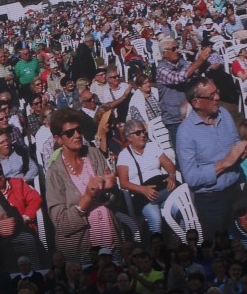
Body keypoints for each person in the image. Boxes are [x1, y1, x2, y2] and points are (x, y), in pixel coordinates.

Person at [176, 77, 247, 240]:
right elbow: (192, 178)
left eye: (217, 92)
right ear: (196, 102)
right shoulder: (185, 133)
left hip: (236, 191)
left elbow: (235, 143)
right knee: (222, 247)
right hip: (213, 202)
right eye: (211, 96)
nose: (217, 97)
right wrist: (226, 163)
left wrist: (242, 152)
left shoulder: (224, 114)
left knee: (246, 240)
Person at [46, 107, 121, 264]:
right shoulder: (54, 173)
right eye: (70, 133)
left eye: (79, 130)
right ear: (58, 139)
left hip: (110, 242)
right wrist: (87, 197)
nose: (77, 135)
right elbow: (62, 225)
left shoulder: (93, 154)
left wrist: (111, 189)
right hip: (81, 251)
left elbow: (114, 201)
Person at [116, 119, 179, 238]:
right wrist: (143, 189)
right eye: (138, 133)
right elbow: (123, 183)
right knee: (155, 218)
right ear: (129, 137)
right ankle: (157, 246)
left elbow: (169, 165)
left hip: (162, 189)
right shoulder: (124, 155)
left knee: (179, 210)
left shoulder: (152, 147)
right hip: (142, 196)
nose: (142, 135)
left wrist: (171, 176)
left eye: (143, 131)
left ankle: (188, 242)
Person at [155, 36, 214, 146]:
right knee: (183, 151)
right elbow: (179, 78)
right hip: (175, 119)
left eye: (177, 47)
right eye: (173, 49)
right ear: (164, 53)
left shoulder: (181, 62)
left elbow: (195, 71)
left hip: (190, 114)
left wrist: (205, 59)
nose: (177, 50)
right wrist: (200, 60)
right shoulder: (161, 69)